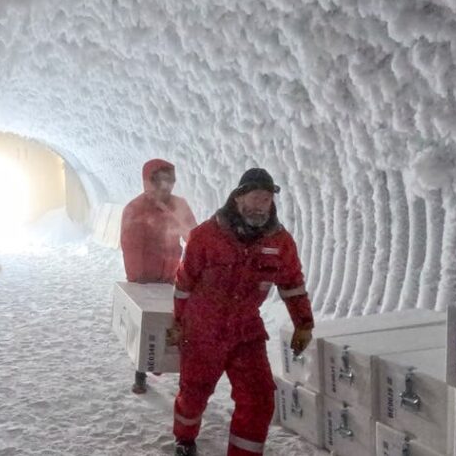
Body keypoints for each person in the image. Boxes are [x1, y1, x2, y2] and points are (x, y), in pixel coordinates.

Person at [167, 168, 314, 456]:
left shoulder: (279, 242)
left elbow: (292, 285)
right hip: (203, 330)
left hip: (246, 331)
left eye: (267, 200)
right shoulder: (206, 236)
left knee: (259, 398)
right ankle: (184, 438)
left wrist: (304, 324)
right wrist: (178, 322)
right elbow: (184, 284)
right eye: (255, 198)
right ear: (237, 198)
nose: (261, 206)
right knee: (194, 393)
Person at [120, 158, 198, 394]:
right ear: (149, 181)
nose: (166, 186)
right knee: (146, 326)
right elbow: (131, 246)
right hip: (145, 278)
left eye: (169, 179)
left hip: (171, 275)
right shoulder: (135, 209)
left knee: (174, 323)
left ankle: (174, 369)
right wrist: (138, 278)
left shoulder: (179, 206)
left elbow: (193, 237)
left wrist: (195, 266)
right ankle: (140, 372)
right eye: (160, 180)